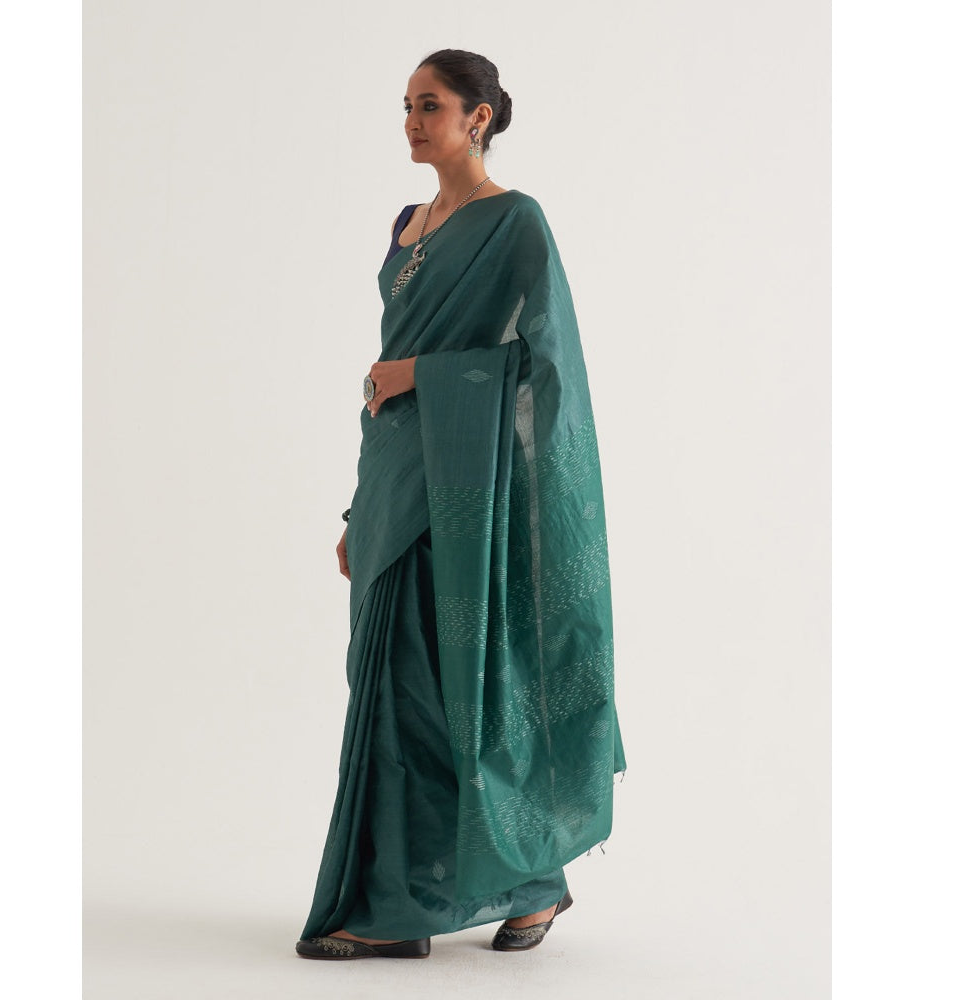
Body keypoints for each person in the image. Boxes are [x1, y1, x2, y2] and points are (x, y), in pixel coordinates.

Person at [295, 48, 626, 961]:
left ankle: (490, 888)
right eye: (406, 105)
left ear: (478, 118)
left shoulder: (514, 221)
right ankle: (445, 894)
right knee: (393, 694)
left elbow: (541, 363)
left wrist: (424, 375)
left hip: (463, 490)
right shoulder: (406, 225)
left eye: (431, 105)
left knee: (456, 693)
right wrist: (358, 510)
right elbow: (384, 383)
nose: (412, 121)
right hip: (395, 477)